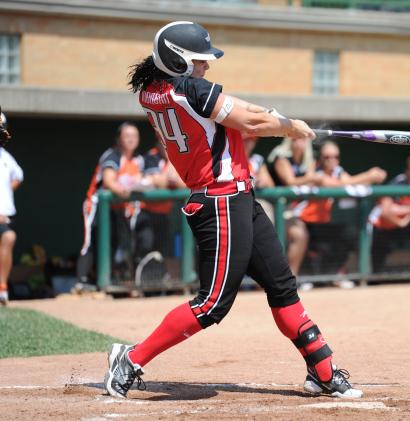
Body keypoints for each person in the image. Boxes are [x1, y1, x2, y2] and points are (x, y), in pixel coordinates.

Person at [105, 21, 362, 399]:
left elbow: (237, 109)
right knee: (211, 305)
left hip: (236, 198)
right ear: (177, 61)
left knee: (281, 286)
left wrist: (280, 118)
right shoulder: (189, 89)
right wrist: (288, 127)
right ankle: (131, 359)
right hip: (220, 199)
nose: (206, 66)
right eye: (199, 60)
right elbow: (250, 122)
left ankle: (322, 372)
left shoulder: (155, 88)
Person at [295, 141, 386, 286]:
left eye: (335, 156)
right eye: (327, 157)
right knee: (304, 239)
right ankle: (306, 277)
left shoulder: (338, 171)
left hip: (324, 222)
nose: (332, 160)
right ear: (320, 158)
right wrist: (369, 175)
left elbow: (349, 182)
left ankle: (334, 273)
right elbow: (335, 184)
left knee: (351, 234)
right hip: (304, 220)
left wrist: (371, 177)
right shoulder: (314, 171)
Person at [75, 122, 153, 291]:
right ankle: (82, 281)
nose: (131, 139)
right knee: (92, 241)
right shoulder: (112, 155)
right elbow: (109, 181)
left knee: (115, 242)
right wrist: (121, 190)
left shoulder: (139, 160)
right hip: (97, 205)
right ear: (119, 139)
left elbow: (145, 180)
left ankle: (106, 280)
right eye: (127, 136)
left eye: (134, 136)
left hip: (118, 208)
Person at [267, 135, 322, 276]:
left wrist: (311, 176)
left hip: (288, 208)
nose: (299, 141)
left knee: (300, 235)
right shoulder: (281, 156)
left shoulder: (307, 160)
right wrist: (311, 178)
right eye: (296, 138)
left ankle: (292, 277)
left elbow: (311, 180)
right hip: (270, 205)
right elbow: (290, 181)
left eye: (303, 139)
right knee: (272, 241)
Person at [143, 138, 187, 256]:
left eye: (170, 144)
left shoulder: (181, 155)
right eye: (164, 144)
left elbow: (185, 184)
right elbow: (158, 183)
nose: (167, 147)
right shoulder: (152, 156)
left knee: (165, 249)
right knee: (147, 245)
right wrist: (171, 162)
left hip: (168, 212)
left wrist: (171, 179)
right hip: (147, 211)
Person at [0, 110, 23, 306]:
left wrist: (7, 189)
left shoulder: (6, 157)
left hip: (3, 217)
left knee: (9, 237)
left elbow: (19, 176)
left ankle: (2, 288)